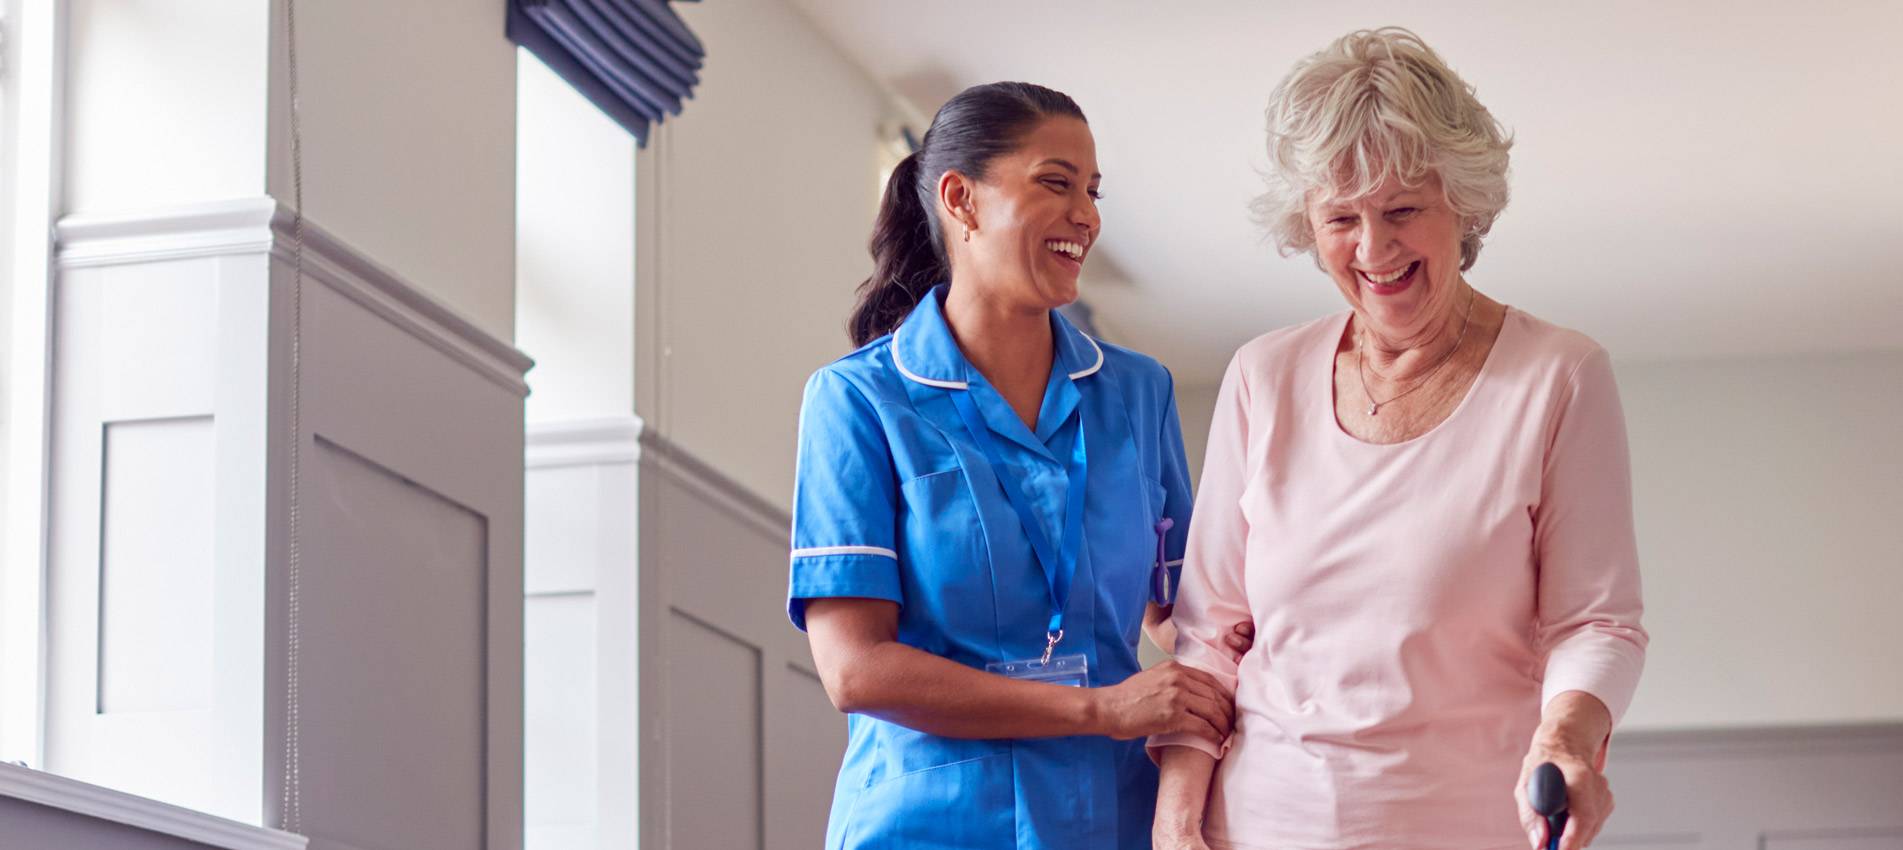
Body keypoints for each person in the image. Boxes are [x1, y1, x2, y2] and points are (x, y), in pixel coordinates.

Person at [1151, 28, 1649, 850]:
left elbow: (1596, 624)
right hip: (1257, 821)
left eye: (1403, 210)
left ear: (1464, 203)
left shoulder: (1557, 377)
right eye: (1340, 217)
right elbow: (1209, 638)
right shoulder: (1261, 376)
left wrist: (1564, 740)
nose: (1373, 248)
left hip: (1464, 824)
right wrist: (1175, 828)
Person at [788, 81, 1252, 850]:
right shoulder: (857, 400)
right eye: (1055, 183)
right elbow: (856, 671)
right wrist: (1099, 709)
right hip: (928, 826)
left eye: (1093, 192)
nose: (1087, 216)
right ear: (960, 200)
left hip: (1112, 818)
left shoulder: (1137, 391)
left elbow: (1185, 617)